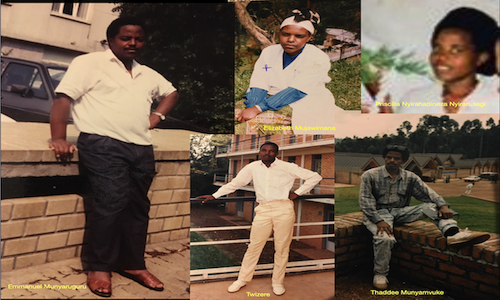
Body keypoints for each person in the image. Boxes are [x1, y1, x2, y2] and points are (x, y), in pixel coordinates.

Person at [49, 16, 179, 297]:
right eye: (125, 38)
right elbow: (63, 99)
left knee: (137, 208)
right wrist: (58, 137)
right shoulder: (88, 63)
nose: (133, 43)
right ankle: (99, 267)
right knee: (109, 203)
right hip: (102, 144)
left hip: (141, 147)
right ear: (110, 40)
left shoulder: (146, 72)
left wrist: (156, 115)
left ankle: (132, 264)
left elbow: (171, 92)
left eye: (139, 39)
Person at [197, 142, 322, 296]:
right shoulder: (252, 167)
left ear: (276, 153)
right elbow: (236, 183)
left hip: (283, 209)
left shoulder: (287, 166)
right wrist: (214, 195)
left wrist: (297, 193)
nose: (267, 153)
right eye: (264, 150)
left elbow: (315, 176)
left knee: (282, 248)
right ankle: (242, 279)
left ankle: (277, 282)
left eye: (271, 151)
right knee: (254, 246)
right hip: (262, 209)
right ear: (259, 152)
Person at [359, 144, 490, 290]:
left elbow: (428, 193)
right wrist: (379, 220)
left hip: (400, 212)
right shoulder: (370, 175)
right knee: (384, 238)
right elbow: (365, 201)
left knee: (431, 207)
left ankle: (453, 234)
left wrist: (442, 205)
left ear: (402, 161)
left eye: (397, 158)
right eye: (389, 157)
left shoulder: (410, 177)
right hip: (378, 213)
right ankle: (380, 274)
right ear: (384, 157)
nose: (392, 160)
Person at [236, 8, 336, 134]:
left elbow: (296, 91)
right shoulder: (269, 52)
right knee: (235, 115)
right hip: (268, 97)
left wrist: (258, 108)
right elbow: (259, 81)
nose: (291, 40)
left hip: (301, 101)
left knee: (250, 125)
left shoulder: (317, 58)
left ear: (309, 37)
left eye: (299, 36)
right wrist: (252, 105)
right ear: (279, 33)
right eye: (286, 34)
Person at [397, 7, 499, 114]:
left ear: (480, 58)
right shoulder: (415, 100)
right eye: (437, 48)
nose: (441, 57)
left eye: (456, 50)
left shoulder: (495, 101)